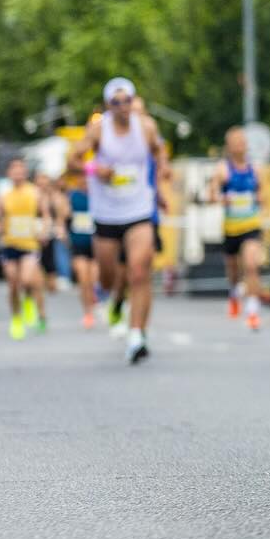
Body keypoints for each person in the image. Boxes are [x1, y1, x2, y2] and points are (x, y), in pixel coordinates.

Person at [70, 78, 170, 365]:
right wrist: (94, 168)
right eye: (116, 102)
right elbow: (73, 161)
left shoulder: (146, 126)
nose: (123, 107)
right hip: (107, 212)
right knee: (108, 276)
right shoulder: (99, 130)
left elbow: (158, 150)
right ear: (108, 106)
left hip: (139, 210)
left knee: (140, 271)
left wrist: (161, 173)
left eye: (127, 101)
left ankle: (137, 335)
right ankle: (115, 301)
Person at [209, 127, 267, 332]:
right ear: (229, 146)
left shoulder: (255, 169)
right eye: (235, 142)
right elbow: (212, 194)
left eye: (242, 142)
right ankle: (234, 292)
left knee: (251, 266)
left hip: (251, 226)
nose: (239, 146)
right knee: (234, 270)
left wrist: (260, 199)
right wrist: (220, 198)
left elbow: (262, 195)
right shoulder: (223, 169)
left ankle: (252, 312)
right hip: (231, 228)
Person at [0, 158, 46, 341]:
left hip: (29, 244)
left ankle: (29, 299)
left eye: (21, 170)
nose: (18, 174)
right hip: (9, 243)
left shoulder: (35, 193)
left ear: (25, 173)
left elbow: (46, 216)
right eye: (14, 170)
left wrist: (45, 230)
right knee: (13, 284)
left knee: (27, 279)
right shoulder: (4, 195)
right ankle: (16, 317)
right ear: (9, 174)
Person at [65, 179, 99, 326]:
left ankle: (94, 296)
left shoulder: (99, 196)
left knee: (93, 280)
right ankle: (87, 313)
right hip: (78, 244)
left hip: (97, 244)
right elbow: (63, 218)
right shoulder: (72, 197)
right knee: (83, 279)